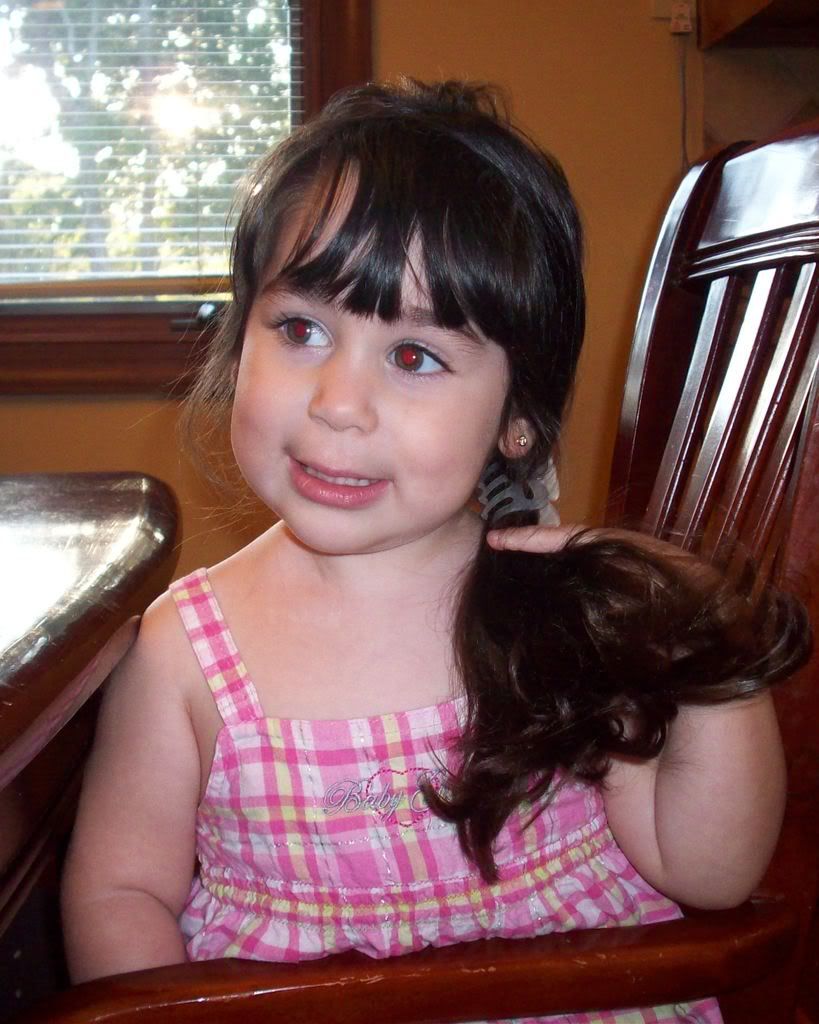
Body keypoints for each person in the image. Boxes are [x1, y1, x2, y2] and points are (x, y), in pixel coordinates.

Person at [61, 79, 808, 1023]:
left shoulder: (564, 616)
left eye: (414, 356)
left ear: (516, 421)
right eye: (301, 329)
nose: (338, 402)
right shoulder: (183, 649)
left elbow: (708, 871)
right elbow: (121, 891)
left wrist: (707, 648)